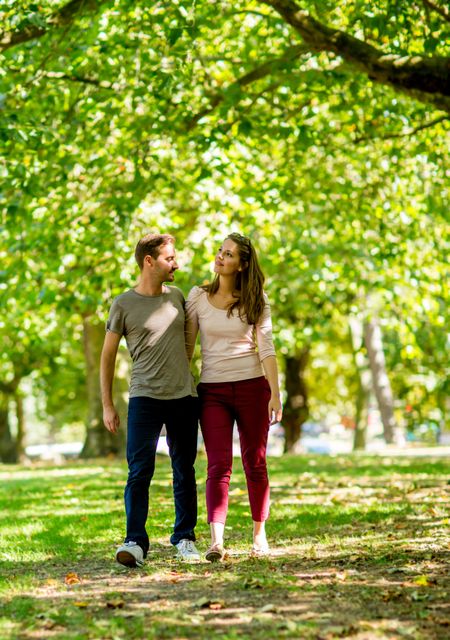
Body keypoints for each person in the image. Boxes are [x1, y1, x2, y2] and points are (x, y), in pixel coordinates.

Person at [100, 233, 200, 567]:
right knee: (139, 470)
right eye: (170, 258)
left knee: (184, 469)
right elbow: (107, 357)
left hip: (183, 396)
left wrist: (182, 373)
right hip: (144, 397)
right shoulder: (123, 303)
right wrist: (107, 405)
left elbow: (188, 343)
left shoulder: (177, 297)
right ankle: (135, 542)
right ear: (149, 261)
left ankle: (185, 538)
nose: (177, 263)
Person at [185, 232, 282, 561]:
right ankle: (217, 542)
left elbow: (267, 348)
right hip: (213, 390)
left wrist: (276, 394)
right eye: (219, 252)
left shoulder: (257, 299)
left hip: (254, 387)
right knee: (218, 465)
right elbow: (187, 348)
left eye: (228, 254)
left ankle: (260, 535)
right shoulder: (197, 296)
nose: (220, 257)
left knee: (255, 462)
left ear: (241, 264)